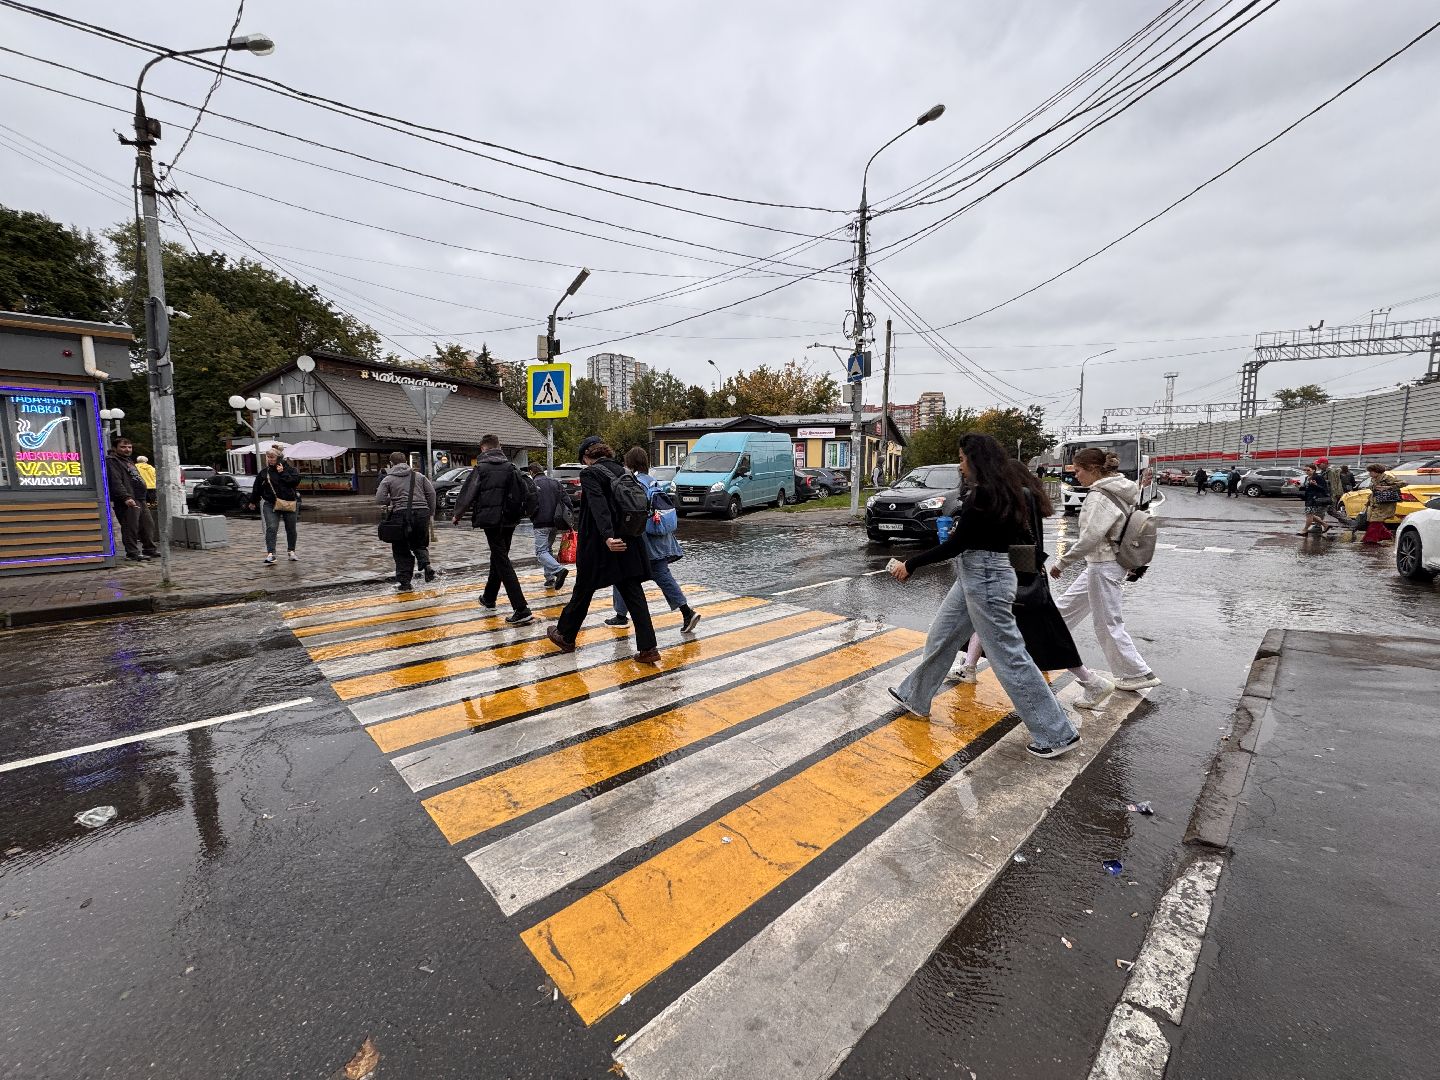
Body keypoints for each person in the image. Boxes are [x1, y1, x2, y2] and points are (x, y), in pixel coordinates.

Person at [887, 433, 1081, 760]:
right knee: (942, 635)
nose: (960, 466)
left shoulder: (986, 494)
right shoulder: (1004, 491)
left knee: (1009, 656)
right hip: (976, 574)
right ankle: (915, 696)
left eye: (963, 459)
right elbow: (1009, 537)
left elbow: (957, 544)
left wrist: (911, 564)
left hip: (986, 577)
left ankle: (1056, 733)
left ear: (976, 461)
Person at [954, 461, 1116, 711]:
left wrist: (1012, 574)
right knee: (989, 620)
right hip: (1027, 573)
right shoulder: (1028, 496)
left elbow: (1018, 541)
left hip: (1022, 574)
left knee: (1044, 637)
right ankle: (969, 666)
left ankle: (1091, 681)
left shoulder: (1019, 499)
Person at [1050, 448, 1161, 693]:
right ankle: (1043, 648)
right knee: (1064, 609)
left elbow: (1090, 538)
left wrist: (1062, 563)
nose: (1076, 476)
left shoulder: (1099, 496)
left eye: (1078, 470)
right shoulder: (1120, 488)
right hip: (1103, 563)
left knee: (1107, 623)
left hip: (1104, 564)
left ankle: (1136, 673)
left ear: (1092, 469)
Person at [547, 436, 659, 665]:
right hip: (629, 540)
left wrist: (608, 536)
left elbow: (599, 506)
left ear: (587, 458)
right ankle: (648, 649)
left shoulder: (590, 474)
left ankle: (565, 635)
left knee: (583, 589)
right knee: (633, 593)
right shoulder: (623, 471)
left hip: (601, 544)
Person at [606, 446, 702, 634]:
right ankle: (685, 612)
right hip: (661, 537)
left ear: (629, 464)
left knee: (622, 574)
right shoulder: (652, 482)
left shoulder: (634, 484)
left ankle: (622, 616)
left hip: (645, 540)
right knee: (658, 575)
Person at [452, 433, 535, 625]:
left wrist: (457, 514)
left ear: (483, 448)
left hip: (491, 520)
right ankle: (489, 597)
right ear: (500, 446)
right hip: (510, 520)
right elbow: (525, 492)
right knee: (499, 557)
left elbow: (468, 493)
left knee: (502, 561)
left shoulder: (481, 468)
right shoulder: (511, 467)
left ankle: (521, 609)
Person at [375, 452, 437, 591]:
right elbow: (431, 493)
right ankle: (426, 566)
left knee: (401, 549)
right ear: (406, 462)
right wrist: (430, 512)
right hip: (422, 514)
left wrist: (392, 499)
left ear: (391, 463)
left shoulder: (388, 479)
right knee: (419, 544)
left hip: (401, 515)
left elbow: (379, 499)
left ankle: (405, 583)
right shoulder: (419, 476)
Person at [105, 437, 156, 561]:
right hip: (127, 499)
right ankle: (132, 553)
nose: (127, 449)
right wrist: (125, 497)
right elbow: (115, 481)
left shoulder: (127, 460)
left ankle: (150, 549)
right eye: (123, 447)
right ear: (115, 448)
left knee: (147, 524)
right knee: (130, 526)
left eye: (129, 447)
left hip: (140, 497)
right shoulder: (112, 461)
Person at [249, 447, 302, 564]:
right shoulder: (264, 473)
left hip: (289, 503)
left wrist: (282, 473)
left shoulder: (291, 470)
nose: (270, 459)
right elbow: (257, 488)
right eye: (268, 457)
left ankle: (291, 551)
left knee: (291, 528)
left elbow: (295, 482)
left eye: (272, 457)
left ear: (279, 458)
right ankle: (271, 554)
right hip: (270, 504)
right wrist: (253, 501)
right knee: (271, 527)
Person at [528, 463, 572, 592]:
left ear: (531, 472)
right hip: (555, 522)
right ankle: (550, 578)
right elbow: (567, 501)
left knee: (541, 552)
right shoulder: (555, 483)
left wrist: (532, 516)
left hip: (540, 522)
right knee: (548, 549)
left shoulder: (532, 484)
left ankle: (559, 570)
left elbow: (529, 504)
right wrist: (567, 519)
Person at [1357, 462, 1400, 544]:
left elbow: (1403, 483)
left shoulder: (1387, 478)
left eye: (1371, 471)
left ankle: (1369, 539)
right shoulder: (1373, 479)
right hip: (1375, 503)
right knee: (1376, 521)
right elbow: (1373, 490)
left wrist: (1388, 487)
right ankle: (1387, 535)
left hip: (1385, 503)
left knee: (1375, 521)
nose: (1369, 473)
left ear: (1377, 471)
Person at [131, 452, 160, 554]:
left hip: (141, 489)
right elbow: (155, 476)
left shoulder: (135, 467)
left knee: (144, 506)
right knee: (151, 506)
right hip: (152, 487)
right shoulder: (151, 468)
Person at [1298, 464, 1331, 536]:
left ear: (1313, 470)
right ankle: (1325, 525)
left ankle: (1305, 530)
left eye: (1308, 470)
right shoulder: (1307, 477)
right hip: (1308, 498)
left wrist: (1316, 485)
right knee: (1311, 515)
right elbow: (1307, 488)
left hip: (1314, 498)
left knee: (1309, 515)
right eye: (1305, 470)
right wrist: (1299, 486)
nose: (1306, 471)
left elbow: (1324, 489)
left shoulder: (1318, 477)